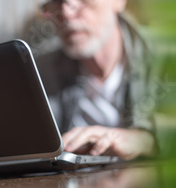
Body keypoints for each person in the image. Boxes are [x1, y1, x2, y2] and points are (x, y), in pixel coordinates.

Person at [36, 0, 159, 160]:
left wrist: (145, 140)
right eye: (57, 3)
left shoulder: (164, 56)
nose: (66, 12)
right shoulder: (38, 72)